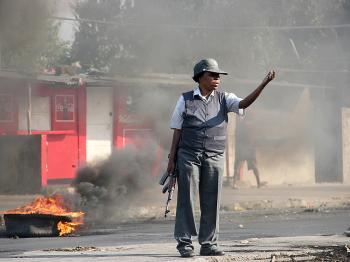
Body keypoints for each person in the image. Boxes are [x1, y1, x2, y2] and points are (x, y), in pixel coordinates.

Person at [167, 58, 275, 257]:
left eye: (219, 76)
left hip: (215, 155)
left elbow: (244, 103)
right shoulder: (185, 99)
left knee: (212, 200)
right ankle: (185, 243)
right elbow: (177, 130)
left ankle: (208, 244)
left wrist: (263, 84)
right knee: (186, 200)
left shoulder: (226, 98)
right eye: (213, 75)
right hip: (189, 155)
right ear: (200, 78)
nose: (217, 79)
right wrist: (171, 159)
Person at [232, 113, 264, 188]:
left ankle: (234, 184)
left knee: (237, 166)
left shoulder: (241, 126)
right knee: (254, 167)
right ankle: (258, 183)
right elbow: (254, 139)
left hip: (242, 149)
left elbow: (237, 136)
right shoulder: (252, 127)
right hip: (249, 149)